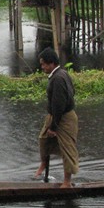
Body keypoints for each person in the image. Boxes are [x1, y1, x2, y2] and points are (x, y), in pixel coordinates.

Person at [33, 47, 79, 187]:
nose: (42, 67)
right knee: (44, 139)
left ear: (52, 63)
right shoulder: (60, 74)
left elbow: (59, 104)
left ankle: (67, 182)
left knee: (67, 149)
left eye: (44, 64)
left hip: (64, 117)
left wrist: (54, 126)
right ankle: (43, 163)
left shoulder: (59, 78)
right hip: (55, 115)